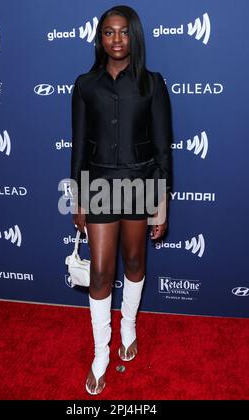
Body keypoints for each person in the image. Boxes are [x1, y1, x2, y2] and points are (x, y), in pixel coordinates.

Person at [70, 5, 173, 395]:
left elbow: (164, 148)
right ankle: (101, 353)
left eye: (124, 32)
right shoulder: (85, 85)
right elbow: (78, 146)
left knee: (134, 261)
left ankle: (128, 324)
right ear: (100, 38)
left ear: (135, 36)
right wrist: (78, 197)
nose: (116, 39)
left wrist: (161, 201)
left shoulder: (152, 83)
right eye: (109, 32)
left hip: (141, 181)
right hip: (97, 184)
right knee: (100, 272)